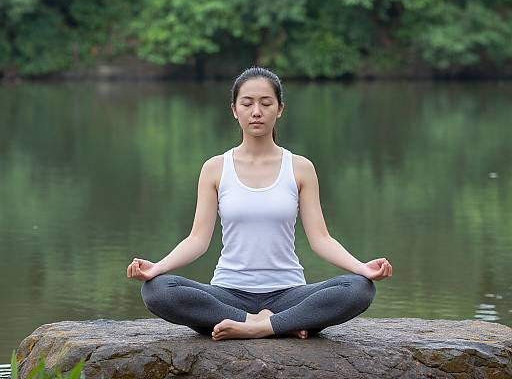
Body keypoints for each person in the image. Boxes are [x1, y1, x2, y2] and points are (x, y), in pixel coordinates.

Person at [127, 66, 392, 341]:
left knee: (360, 288)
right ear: (234, 109)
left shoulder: (300, 168)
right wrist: (157, 267)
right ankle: (271, 323)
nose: (256, 111)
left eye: (266, 103)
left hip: (288, 293)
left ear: (279, 109)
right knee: (156, 290)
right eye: (247, 103)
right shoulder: (215, 168)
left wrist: (361, 267)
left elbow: (321, 239)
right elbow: (197, 240)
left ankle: (258, 327)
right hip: (228, 294)